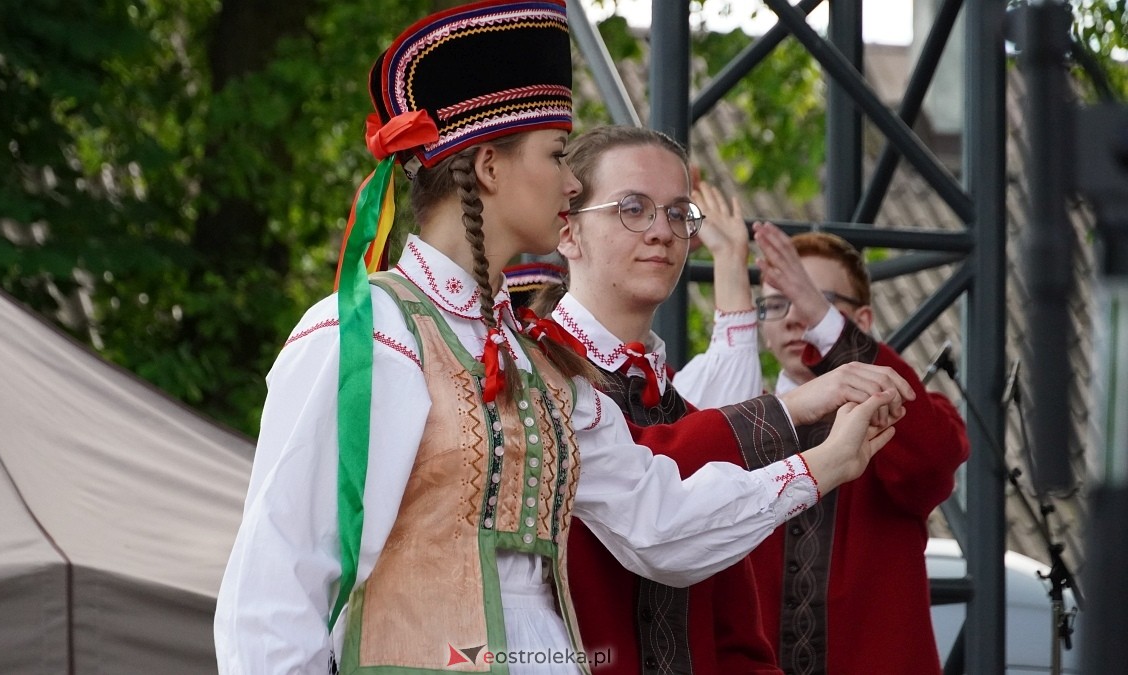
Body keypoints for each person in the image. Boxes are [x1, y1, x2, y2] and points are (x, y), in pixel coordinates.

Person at [213, 3, 903, 673]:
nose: (573, 183)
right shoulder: (369, 336)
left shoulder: (540, 363)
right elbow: (279, 584)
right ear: (489, 167)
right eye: (556, 154)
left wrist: (824, 464)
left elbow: (659, 521)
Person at [522, 125, 916, 674]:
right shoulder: (528, 372)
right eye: (633, 209)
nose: (662, 232)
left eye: (678, 213)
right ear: (569, 232)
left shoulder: (680, 408)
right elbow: (652, 482)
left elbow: (736, 640)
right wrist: (796, 413)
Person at [736, 224, 971, 674]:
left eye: (812, 300)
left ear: (860, 321)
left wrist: (827, 328)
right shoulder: (738, 423)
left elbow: (934, 459)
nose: (794, 316)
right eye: (777, 303)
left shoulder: (905, 416)